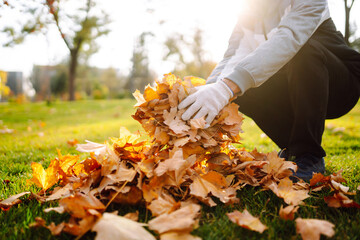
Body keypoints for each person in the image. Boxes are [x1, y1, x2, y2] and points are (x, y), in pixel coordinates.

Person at [178, 0, 360, 181]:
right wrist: (209, 93)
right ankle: (295, 152)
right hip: (293, 86)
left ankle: (310, 154)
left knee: (301, 49)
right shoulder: (248, 15)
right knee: (242, 88)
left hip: (341, 85)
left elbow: (290, 37)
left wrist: (226, 87)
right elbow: (231, 59)